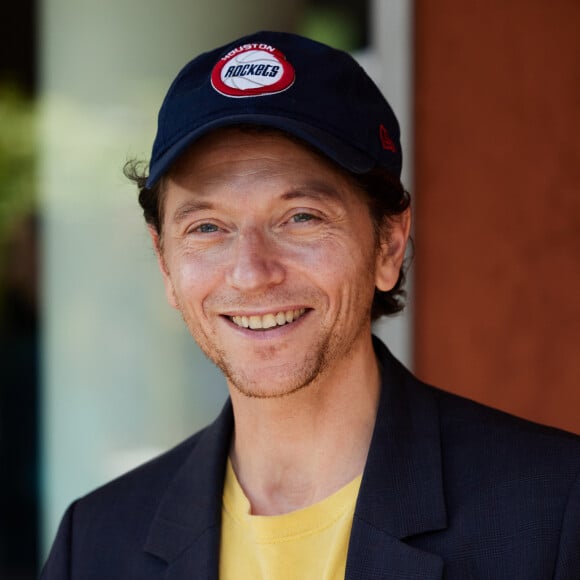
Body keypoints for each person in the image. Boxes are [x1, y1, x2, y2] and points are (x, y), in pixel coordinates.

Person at [41, 30, 580, 579]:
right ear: (165, 263)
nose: (251, 273)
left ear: (388, 244)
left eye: (301, 217)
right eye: (207, 227)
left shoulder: (556, 511)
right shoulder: (96, 545)